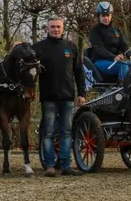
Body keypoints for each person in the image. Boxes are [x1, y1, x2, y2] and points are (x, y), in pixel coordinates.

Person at [33, 16, 86, 177]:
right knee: (48, 132)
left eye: (58, 27)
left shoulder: (70, 47)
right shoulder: (38, 48)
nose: (56, 29)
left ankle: (66, 166)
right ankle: (49, 165)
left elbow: (79, 72)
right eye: (52, 27)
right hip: (48, 97)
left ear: (63, 28)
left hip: (67, 97)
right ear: (47, 29)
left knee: (66, 132)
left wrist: (82, 93)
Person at [88, 1, 131, 83]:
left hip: (116, 61)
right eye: (103, 15)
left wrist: (130, 56)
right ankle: (122, 90)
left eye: (108, 15)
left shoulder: (116, 30)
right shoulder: (95, 30)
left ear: (111, 16)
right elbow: (99, 48)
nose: (106, 18)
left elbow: (123, 45)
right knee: (123, 65)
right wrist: (113, 57)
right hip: (100, 62)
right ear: (99, 16)